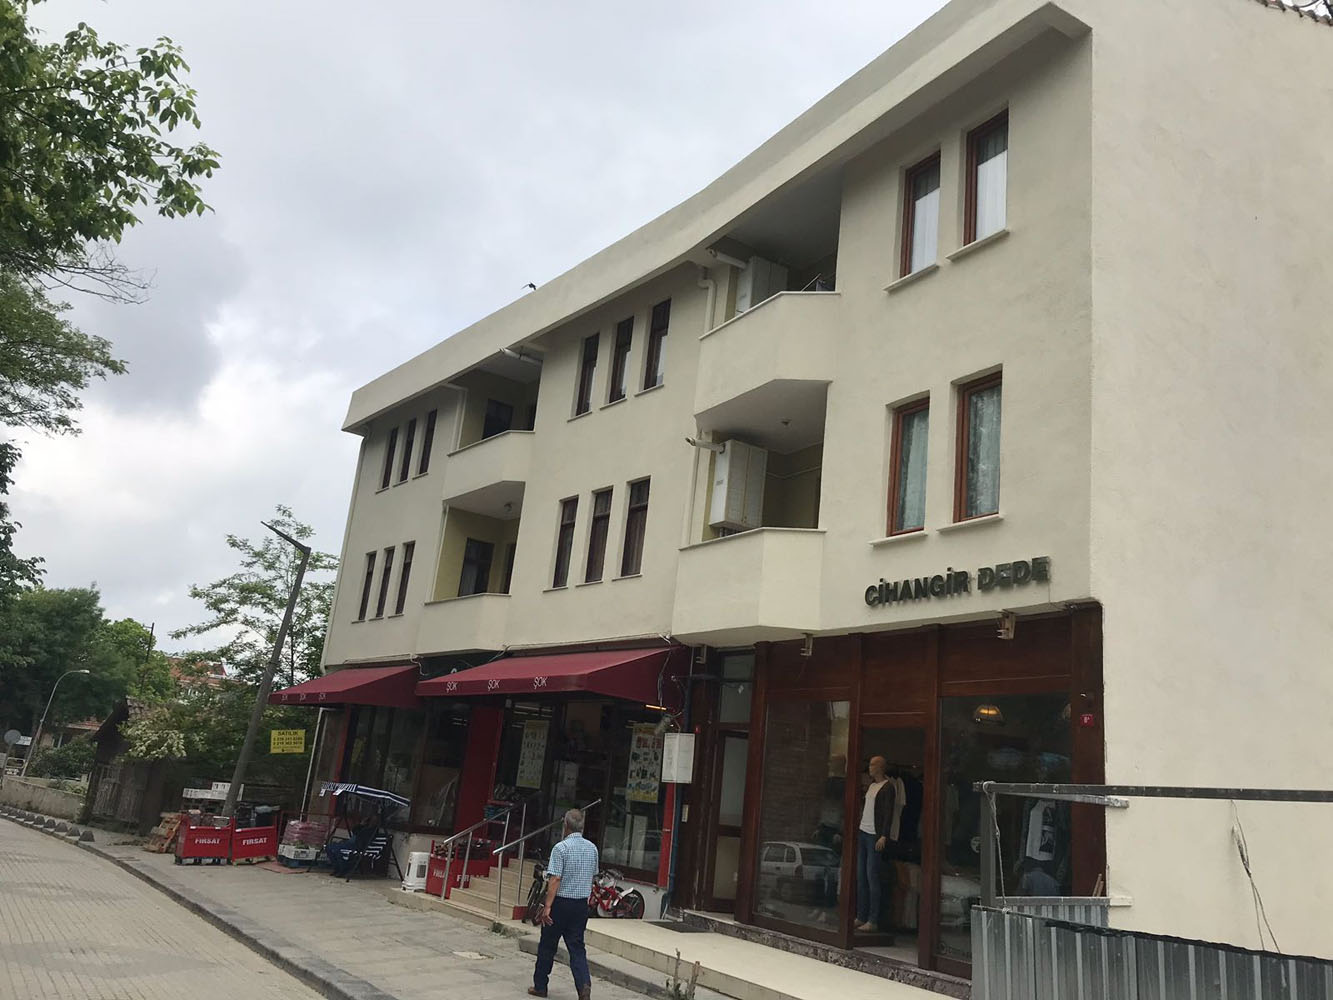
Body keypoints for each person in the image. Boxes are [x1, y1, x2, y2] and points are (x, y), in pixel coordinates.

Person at [530, 808, 598, 1000]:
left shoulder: (561, 848)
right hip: (580, 905)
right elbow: (593, 876)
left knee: (548, 944)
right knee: (577, 946)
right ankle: (583, 985)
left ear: (566, 825)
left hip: (560, 903)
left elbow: (555, 879)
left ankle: (540, 986)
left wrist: (547, 906)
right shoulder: (592, 848)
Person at [855, 755, 895, 933]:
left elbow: (888, 812)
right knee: (861, 875)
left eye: (872, 765)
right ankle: (861, 915)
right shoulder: (871, 786)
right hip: (863, 832)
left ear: (880, 767)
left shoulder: (888, 787)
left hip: (874, 835)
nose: (869, 767)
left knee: (872, 876)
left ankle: (873, 919)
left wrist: (884, 835)